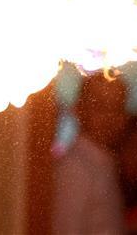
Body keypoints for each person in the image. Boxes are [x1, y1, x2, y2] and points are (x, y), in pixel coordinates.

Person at [52, 73, 128, 235]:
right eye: (100, 107)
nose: (110, 118)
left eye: (117, 108)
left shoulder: (103, 162)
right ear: (79, 109)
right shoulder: (75, 167)